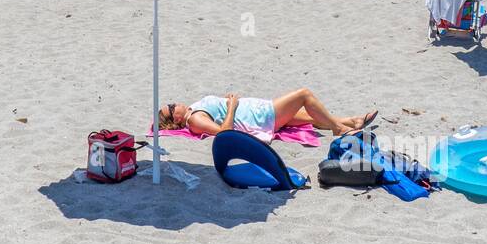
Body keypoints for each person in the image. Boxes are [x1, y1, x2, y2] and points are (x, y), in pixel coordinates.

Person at [158, 88, 376, 141]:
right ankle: (339, 129)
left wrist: (226, 102)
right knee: (304, 95)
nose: (174, 103)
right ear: (175, 118)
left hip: (258, 111)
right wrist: (232, 106)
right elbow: (224, 133)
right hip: (261, 117)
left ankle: (350, 121)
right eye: (170, 106)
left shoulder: (194, 109)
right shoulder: (195, 120)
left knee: (309, 116)